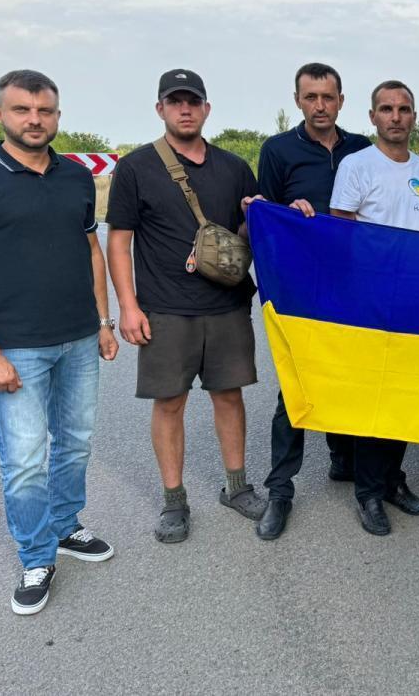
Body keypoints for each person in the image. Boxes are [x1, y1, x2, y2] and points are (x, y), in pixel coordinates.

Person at [0, 70, 118, 615]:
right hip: (14, 347)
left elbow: (90, 250)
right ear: (0, 115)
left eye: (45, 111)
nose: (34, 120)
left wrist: (103, 322)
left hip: (80, 338)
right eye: (22, 110)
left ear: (57, 116)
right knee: (25, 459)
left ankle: (65, 526)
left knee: (77, 442)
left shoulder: (76, 178)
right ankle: (37, 554)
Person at [106, 69, 265, 544]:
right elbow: (119, 241)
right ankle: (174, 500)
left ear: (207, 108)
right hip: (165, 308)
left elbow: (245, 238)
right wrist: (128, 307)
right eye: (174, 101)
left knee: (229, 396)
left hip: (226, 307)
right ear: (160, 109)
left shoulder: (235, 167)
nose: (185, 109)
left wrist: (259, 216)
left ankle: (236, 487)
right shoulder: (136, 167)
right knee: (169, 403)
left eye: (192, 101)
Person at [253, 62, 372, 540]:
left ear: (341, 100)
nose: (320, 105)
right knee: (295, 389)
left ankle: (349, 464)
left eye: (328, 97)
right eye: (311, 97)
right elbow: (264, 220)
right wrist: (287, 213)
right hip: (302, 287)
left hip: (358, 286)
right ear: (298, 100)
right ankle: (280, 489)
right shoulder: (278, 150)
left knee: (352, 378)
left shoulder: (362, 149)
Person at [330, 80, 419, 536]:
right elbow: (342, 236)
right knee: (374, 401)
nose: (395, 116)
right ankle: (368, 493)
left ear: (414, 116)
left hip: (414, 302)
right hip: (370, 304)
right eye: (386, 109)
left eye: (404, 109)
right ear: (372, 117)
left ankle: (393, 480)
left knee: (404, 400)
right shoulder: (356, 165)